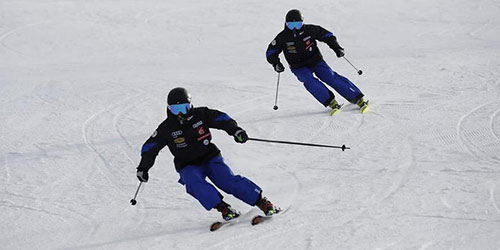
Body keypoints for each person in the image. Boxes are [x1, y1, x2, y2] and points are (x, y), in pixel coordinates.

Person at [136, 87, 276, 221]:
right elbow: (150, 147)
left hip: (210, 156)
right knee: (194, 183)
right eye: (175, 109)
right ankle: (223, 208)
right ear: (168, 109)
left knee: (226, 180)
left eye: (184, 108)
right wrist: (143, 167)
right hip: (187, 164)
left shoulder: (200, 114)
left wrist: (235, 131)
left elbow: (222, 119)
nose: (180, 114)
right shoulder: (166, 128)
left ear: (190, 106)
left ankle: (261, 201)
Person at [266, 9, 369, 115]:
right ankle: (331, 102)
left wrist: (336, 48)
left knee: (330, 77)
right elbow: (270, 52)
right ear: (286, 24)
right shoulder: (282, 37)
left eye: (298, 24)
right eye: (291, 25)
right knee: (309, 81)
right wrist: (276, 63)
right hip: (298, 66)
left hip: (315, 61)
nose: (295, 28)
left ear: (302, 22)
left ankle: (357, 98)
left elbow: (327, 35)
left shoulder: (310, 30)